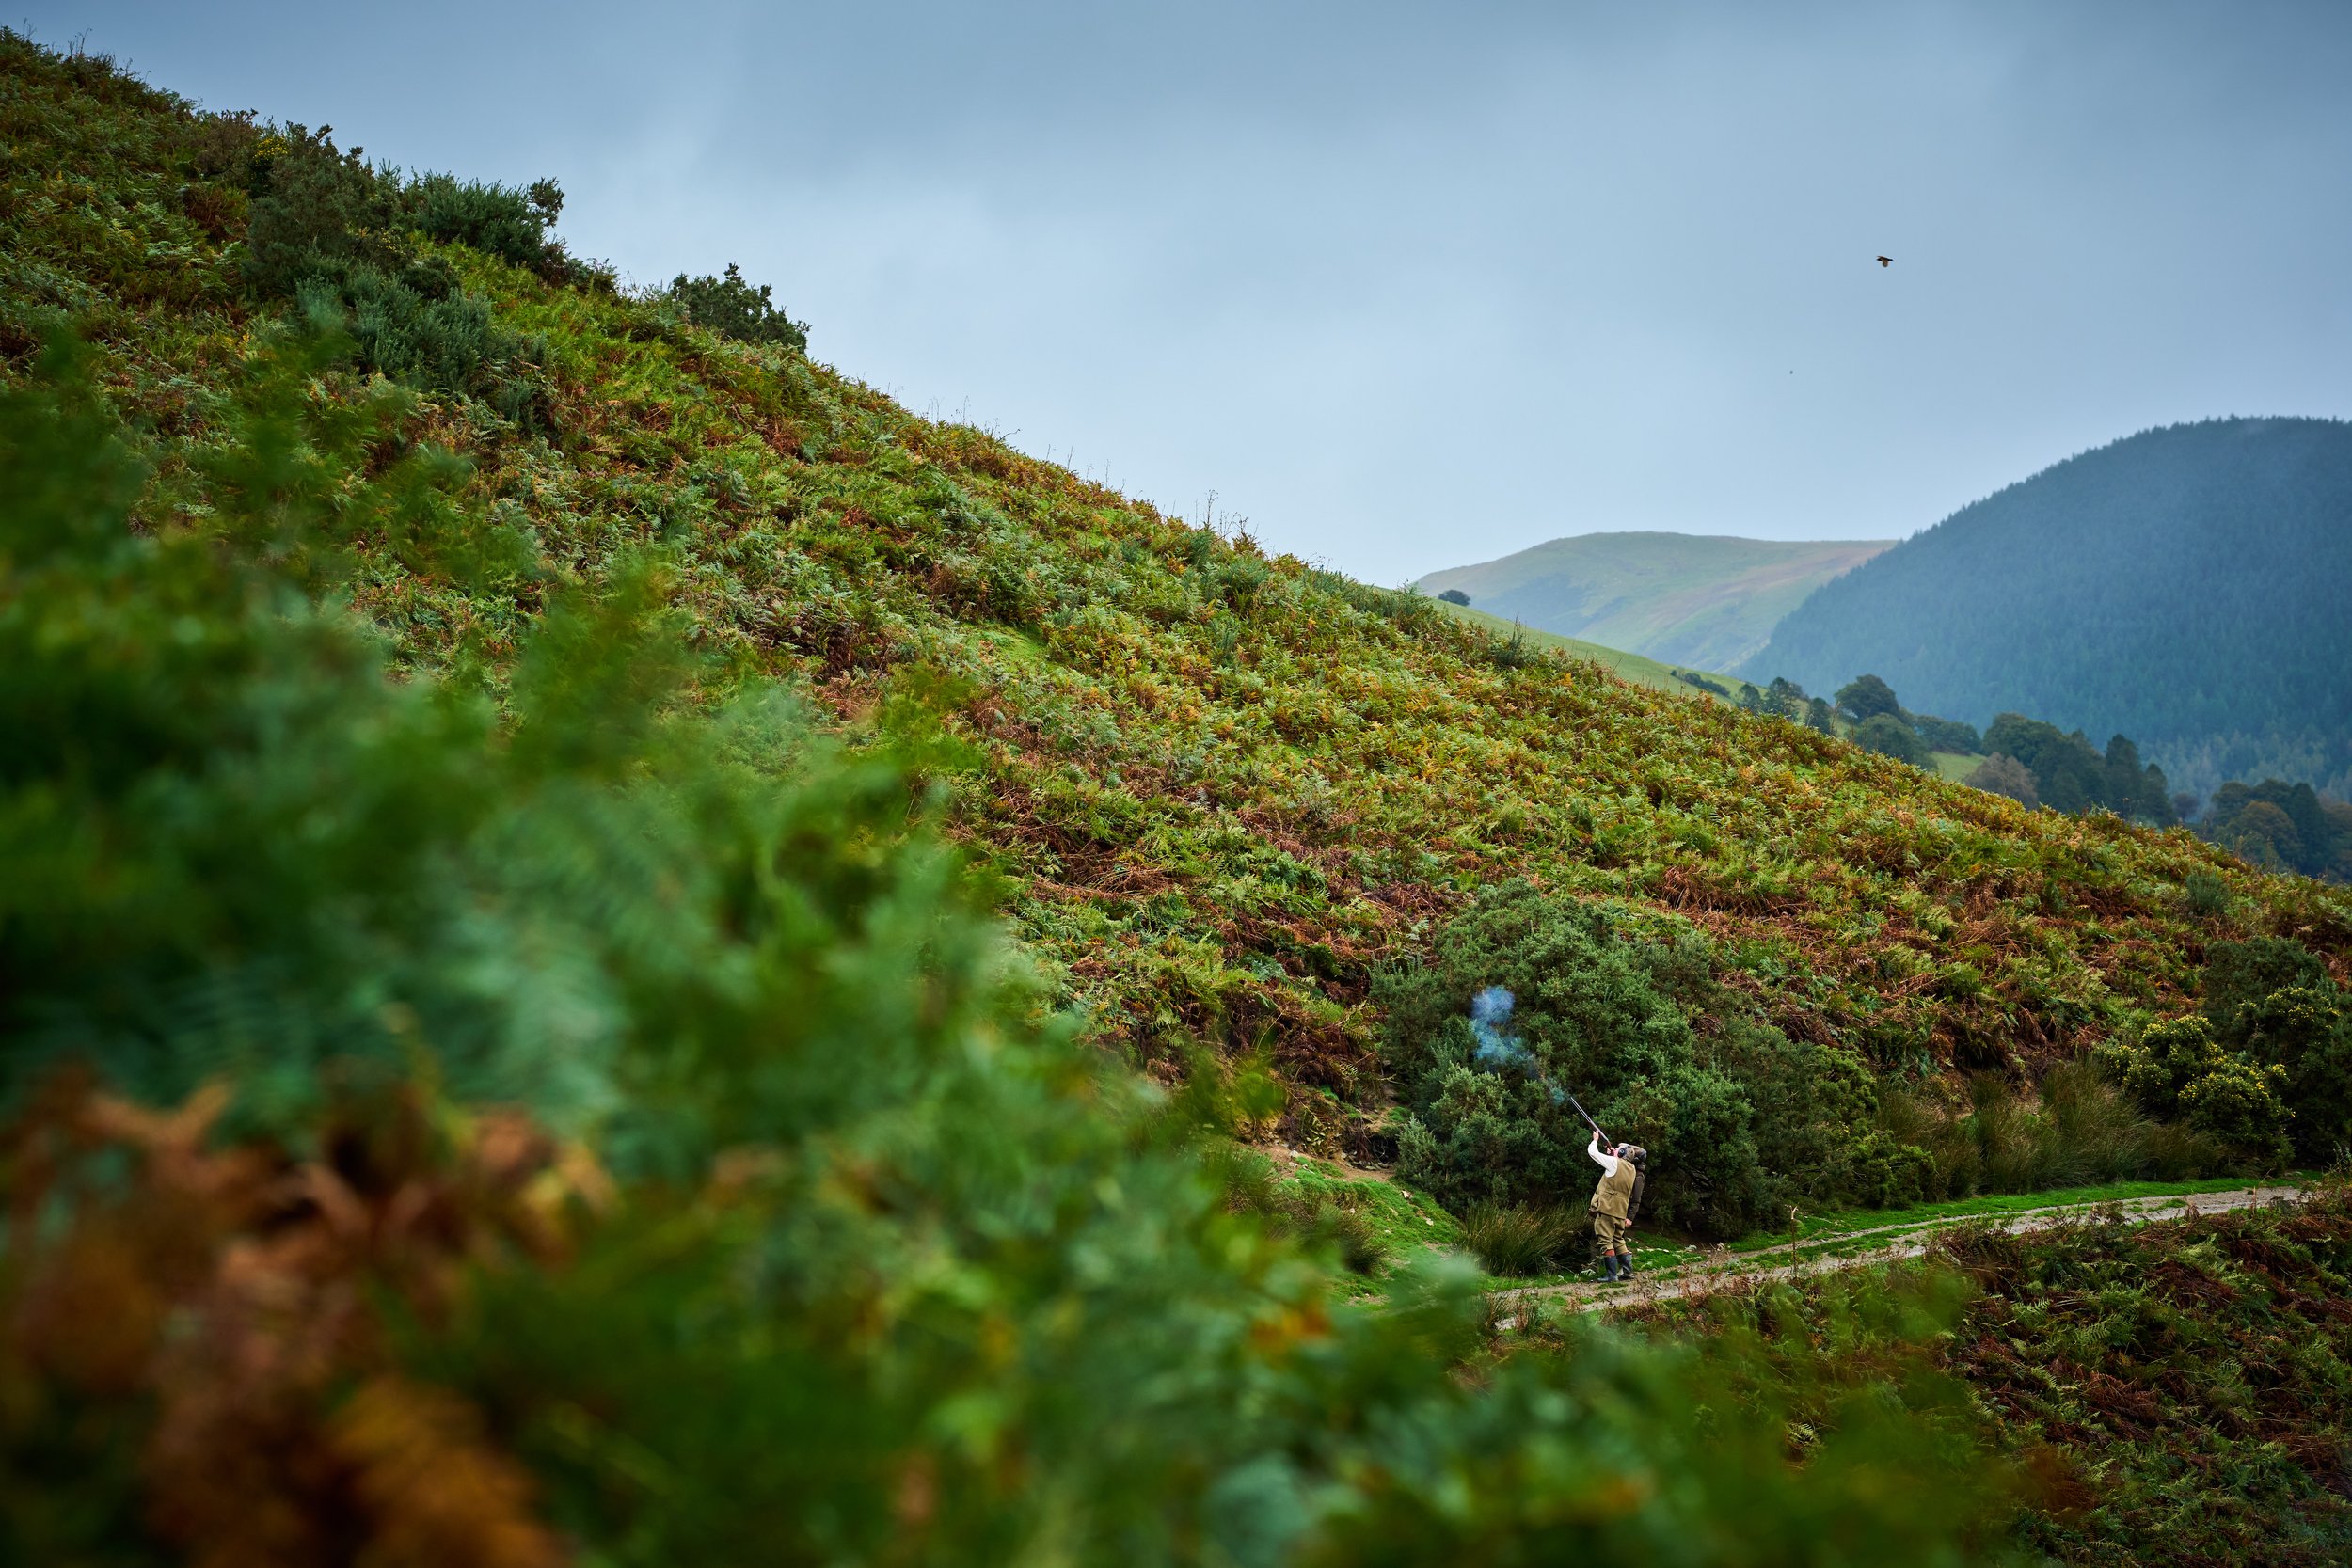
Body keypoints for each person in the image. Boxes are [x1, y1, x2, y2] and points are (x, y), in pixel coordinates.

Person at [1586, 1132, 1646, 1283]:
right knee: (1618, 1240)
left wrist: (1595, 1140)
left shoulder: (1614, 1163)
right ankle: (1627, 1272)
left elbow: (1592, 1153)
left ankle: (1611, 1275)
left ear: (1620, 1153)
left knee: (1605, 1240)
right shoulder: (1632, 1169)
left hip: (1607, 1209)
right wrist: (1614, 1154)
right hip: (1620, 1211)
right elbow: (1618, 1165)